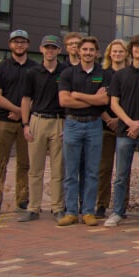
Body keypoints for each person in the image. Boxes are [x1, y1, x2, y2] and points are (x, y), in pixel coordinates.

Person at [103, 34, 139, 227]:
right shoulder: (120, 75)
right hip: (124, 132)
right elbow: (114, 103)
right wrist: (129, 123)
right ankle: (118, 212)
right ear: (131, 50)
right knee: (121, 175)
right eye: (136, 46)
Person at [57, 36, 109, 227]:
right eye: (84, 49)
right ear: (78, 51)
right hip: (72, 124)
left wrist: (78, 95)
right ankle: (71, 212)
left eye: (91, 50)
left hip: (94, 125)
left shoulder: (104, 74)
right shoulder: (68, 73)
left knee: (92, 171)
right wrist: (93, 99)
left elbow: (104, 101)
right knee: (71, 171)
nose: (88, 53)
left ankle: (88, 211)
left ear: (97, 53)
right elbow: (64, 101)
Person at [18, 35, 68, 222]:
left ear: (59, 50)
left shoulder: (66, 71)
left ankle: (57, 208)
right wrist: (25, 124)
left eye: (53, 47)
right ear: (41, 49)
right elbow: (26, 99)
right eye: (47, 47)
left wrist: (68, 124)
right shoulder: (32, 72)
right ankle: (33, 208)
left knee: (58, 169)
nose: (50, 51)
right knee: (35, 168)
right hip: (37, 120)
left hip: (59, 121)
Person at [0, 29, 37, 214]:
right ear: (10, 44)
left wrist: (23, 113)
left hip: (26, 124)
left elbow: (38, 96)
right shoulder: (0, 68)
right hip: (4, 121)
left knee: (24, 163)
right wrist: (18, 110)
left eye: (22, 41)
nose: (19, 45)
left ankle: (22, 199)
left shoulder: (35, 68)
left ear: (28, 44)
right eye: (16, 42)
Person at [96, 39, 129, 219]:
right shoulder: (102, 74)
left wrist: (120, 119)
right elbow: (97, 100)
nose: (117, 54)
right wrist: (109, 119)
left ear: (126, 54)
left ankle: (122, 205)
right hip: (105, 126)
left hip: (125, 127)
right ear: (109, 53)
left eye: (121, 51)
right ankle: (101, 203)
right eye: (114, 51)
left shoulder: (130, 74)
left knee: (123, 170)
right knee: (104, 168)